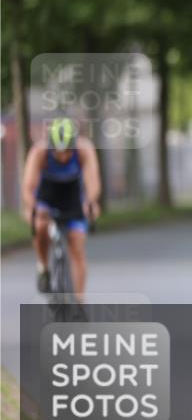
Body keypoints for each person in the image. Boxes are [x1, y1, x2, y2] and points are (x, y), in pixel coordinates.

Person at [20, 118, 102, 297]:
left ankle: (79, 302)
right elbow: (28, 189)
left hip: (72, 199)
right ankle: (43, 266)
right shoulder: (39, 153)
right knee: (40, 227)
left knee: (77, 244)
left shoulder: (84, 150)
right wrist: (34, 208)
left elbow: (93, 184)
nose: (63, 156)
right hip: (46, 199)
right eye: (58, 152)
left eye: (67, 151)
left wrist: (89, 203)